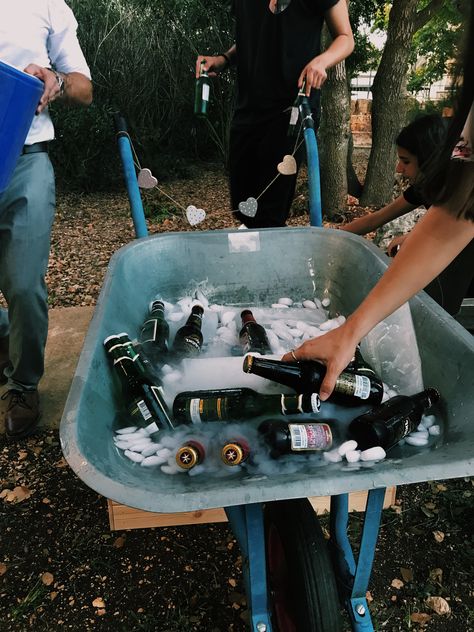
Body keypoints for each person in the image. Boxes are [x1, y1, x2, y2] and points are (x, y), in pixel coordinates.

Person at [282, 6, 474, 399]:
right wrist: (351, 329)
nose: (401, 170)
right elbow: (457, 211)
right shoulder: (443, 181)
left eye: (406, 162)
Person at [0, 0, 93, 439]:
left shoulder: (47, 5)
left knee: (21, 283)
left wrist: (55, 79)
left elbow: (84, 87)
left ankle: (22, 385)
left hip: (25, 159)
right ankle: (8, 335)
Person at [196, 0, 354, 228]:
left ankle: (265, 258)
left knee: (270, 211)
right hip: (247, 109)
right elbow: (254, 36)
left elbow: (346, 38)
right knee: (242, 205)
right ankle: (255, 253)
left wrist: (321, 61)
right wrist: (224, 59)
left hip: (292, 110)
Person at [341, 114, 474, 315]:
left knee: (442, 309)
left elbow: (445, 235)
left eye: (405, 161)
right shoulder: (424, 186)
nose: (399, 169)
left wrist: (411, 239)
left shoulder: (462, 194)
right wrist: (331, 236)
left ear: (431, 159)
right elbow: (376, 219)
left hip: (463, 271)